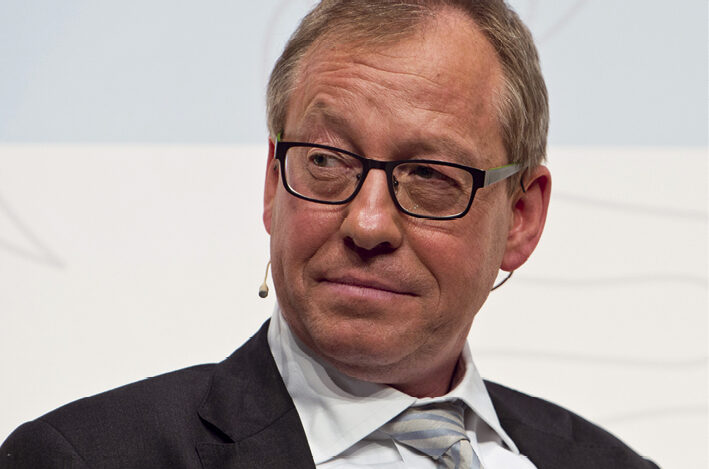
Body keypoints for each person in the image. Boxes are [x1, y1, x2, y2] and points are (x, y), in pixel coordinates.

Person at [1, 1, 659, 468]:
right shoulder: (84, 457)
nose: (367, 223)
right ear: (272, 183)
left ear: (520, 218)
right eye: (325, 160)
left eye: (429, 174)